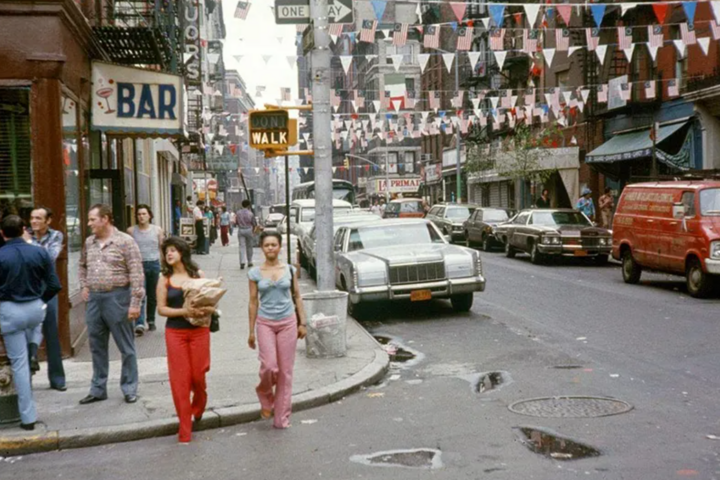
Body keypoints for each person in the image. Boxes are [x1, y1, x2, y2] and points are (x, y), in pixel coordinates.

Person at [0, 215, 61, 430]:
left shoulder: (1, 255)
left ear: (2, 233)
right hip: (35, 307)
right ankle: (34, 346)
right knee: (35, 322)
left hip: (10, 310)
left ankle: (28, 417)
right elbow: (54, 285)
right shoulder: (39, 251)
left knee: (19, 365)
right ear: (23, 229)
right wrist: (40, 300)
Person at [78, 204, 144, 405]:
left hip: (118, 298)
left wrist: (135, 303)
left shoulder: (125, 241)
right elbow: (82, 265)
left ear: (105, 219)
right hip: (94, 300)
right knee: (96, 345)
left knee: (126, 346)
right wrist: (83, 286)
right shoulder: (89, 242)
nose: (89, 224)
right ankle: (98, 388)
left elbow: (136, 273)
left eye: (92, 219)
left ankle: (129, 387)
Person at [156, 237, 214, 444]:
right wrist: (184, 311)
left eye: (172, 250)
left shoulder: (198, 275)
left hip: (199, 331)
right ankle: (185, 429)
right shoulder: (164, 279)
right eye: (166, 251)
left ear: (182, 252)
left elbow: (209, 301)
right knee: (180, 380)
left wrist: (208, 308)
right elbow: (161, 309)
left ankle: (198, 406)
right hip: (176, 333)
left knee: (198, 375)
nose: (169, 254)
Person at [247, 232, 306, 429]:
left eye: (274, 244)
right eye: (267, 245)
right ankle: (265, 396)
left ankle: (281, 418)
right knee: (269, 366)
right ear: (262, 248)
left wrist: (302, 323)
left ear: (280, 247)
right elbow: (253, 301)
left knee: (285, 373)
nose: (270, 248)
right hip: (265, 323)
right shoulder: (255, 273)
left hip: (288, 322)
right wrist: (251, 331)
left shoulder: (289, 269)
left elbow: (297, 296)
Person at [28, 206, 67, 390]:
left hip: (47, 287)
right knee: (27, 333)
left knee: (51, 332)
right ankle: (26, 378)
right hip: (27, 286)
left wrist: (29, 246)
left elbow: (50, 257)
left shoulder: (56, 235)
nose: (34, 221)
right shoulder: (25, 234)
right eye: (32, 218)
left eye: (38, 218)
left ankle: (57, 379)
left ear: (48, 221)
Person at [128, 204, 164, 336]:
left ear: (149, 215)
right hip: (139, 266)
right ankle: (140, 323)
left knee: (153, 295)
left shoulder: (157, 230)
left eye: (144, 214)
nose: (141, 216)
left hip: (154, 264)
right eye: (139, 214)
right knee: (140, 294)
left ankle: (151, 320)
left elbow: (161, 248)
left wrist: (164, 266)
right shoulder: (131, 231)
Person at [236, 200, 257, 269]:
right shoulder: (250, 213)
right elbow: (254, 223)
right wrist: (253, 231)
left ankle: (242, 262)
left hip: (241, 230)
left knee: (242, 246)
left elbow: (236, 222)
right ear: (248, 205)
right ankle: (250, 261)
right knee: (249, 246)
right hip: (249, 230)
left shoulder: (238, 213)